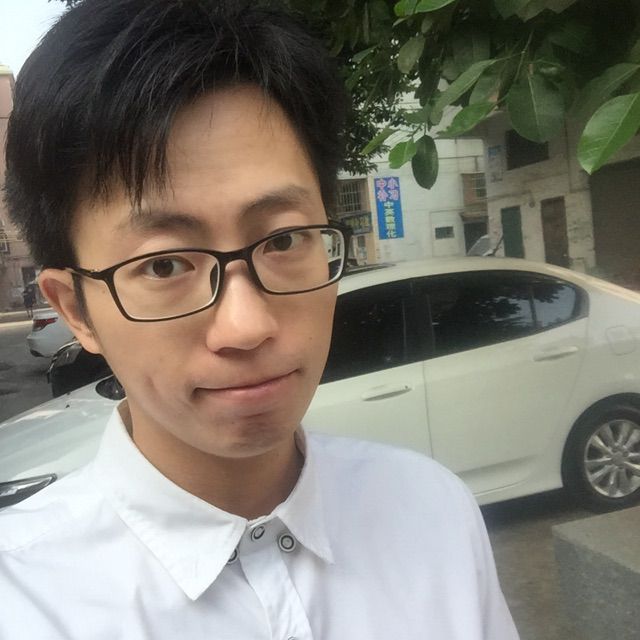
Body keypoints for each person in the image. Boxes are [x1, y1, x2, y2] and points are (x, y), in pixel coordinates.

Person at [0, 1, 520, 638]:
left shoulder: (433, 512)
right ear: (75, 309)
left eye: (284, 240)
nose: (246, 327)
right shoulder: (23, 602)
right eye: (164, 265)